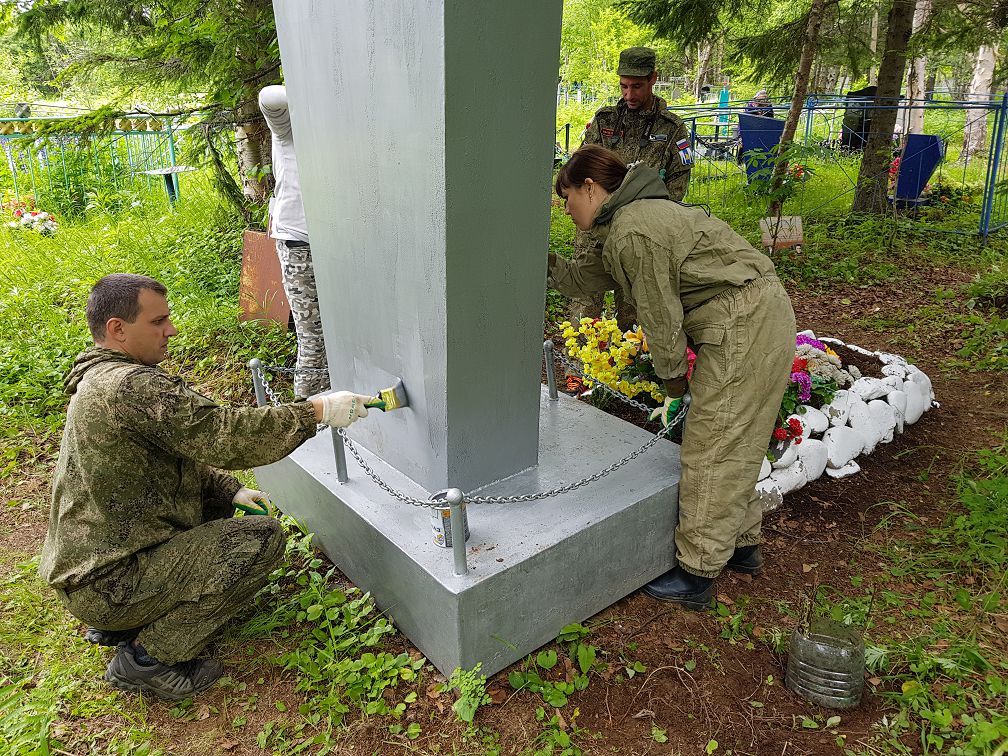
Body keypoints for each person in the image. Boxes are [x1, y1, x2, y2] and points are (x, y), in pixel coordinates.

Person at [39, 273, 373, 700]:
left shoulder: (99, 379)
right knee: (261, 540)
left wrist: (228, 490)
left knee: (217, 509)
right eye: (158, 321)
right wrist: (317, 411)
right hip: (109, 582)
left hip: (93, 570)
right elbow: (224, 433)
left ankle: (122, 621)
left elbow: (173, 450)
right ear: (117, 329)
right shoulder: (129, 386)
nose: (171, 330)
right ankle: (146, 660)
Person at [548, 146, 796, 610]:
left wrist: (675, 386)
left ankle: (697, 573)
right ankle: (742, 546)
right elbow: (583, 280)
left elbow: (661, 319)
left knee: (710, 442)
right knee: (733, 438)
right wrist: (539, 263)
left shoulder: (633, 229)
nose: (565, 210)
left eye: (567, 198)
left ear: (590, 187)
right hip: (755, 313)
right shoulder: (629, 222)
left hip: (743, 318)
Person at [569, 47, 693, 332]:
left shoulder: (672, 129)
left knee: (635, 307)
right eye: (624, 86)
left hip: (640, 233)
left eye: (637, 86)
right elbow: (582, 166)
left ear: (653, 79)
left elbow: (677, 184)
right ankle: (580, 370)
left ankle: (630, 371)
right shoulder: (605, 121)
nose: (629, 94)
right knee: (584, 304)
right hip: (596, 231)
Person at [258, 85, 329, 399]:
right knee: (314, 341)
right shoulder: (288, 124)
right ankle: (308, 417)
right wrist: (314, 88)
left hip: (339, 245)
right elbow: (269, 97)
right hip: (300, 246)